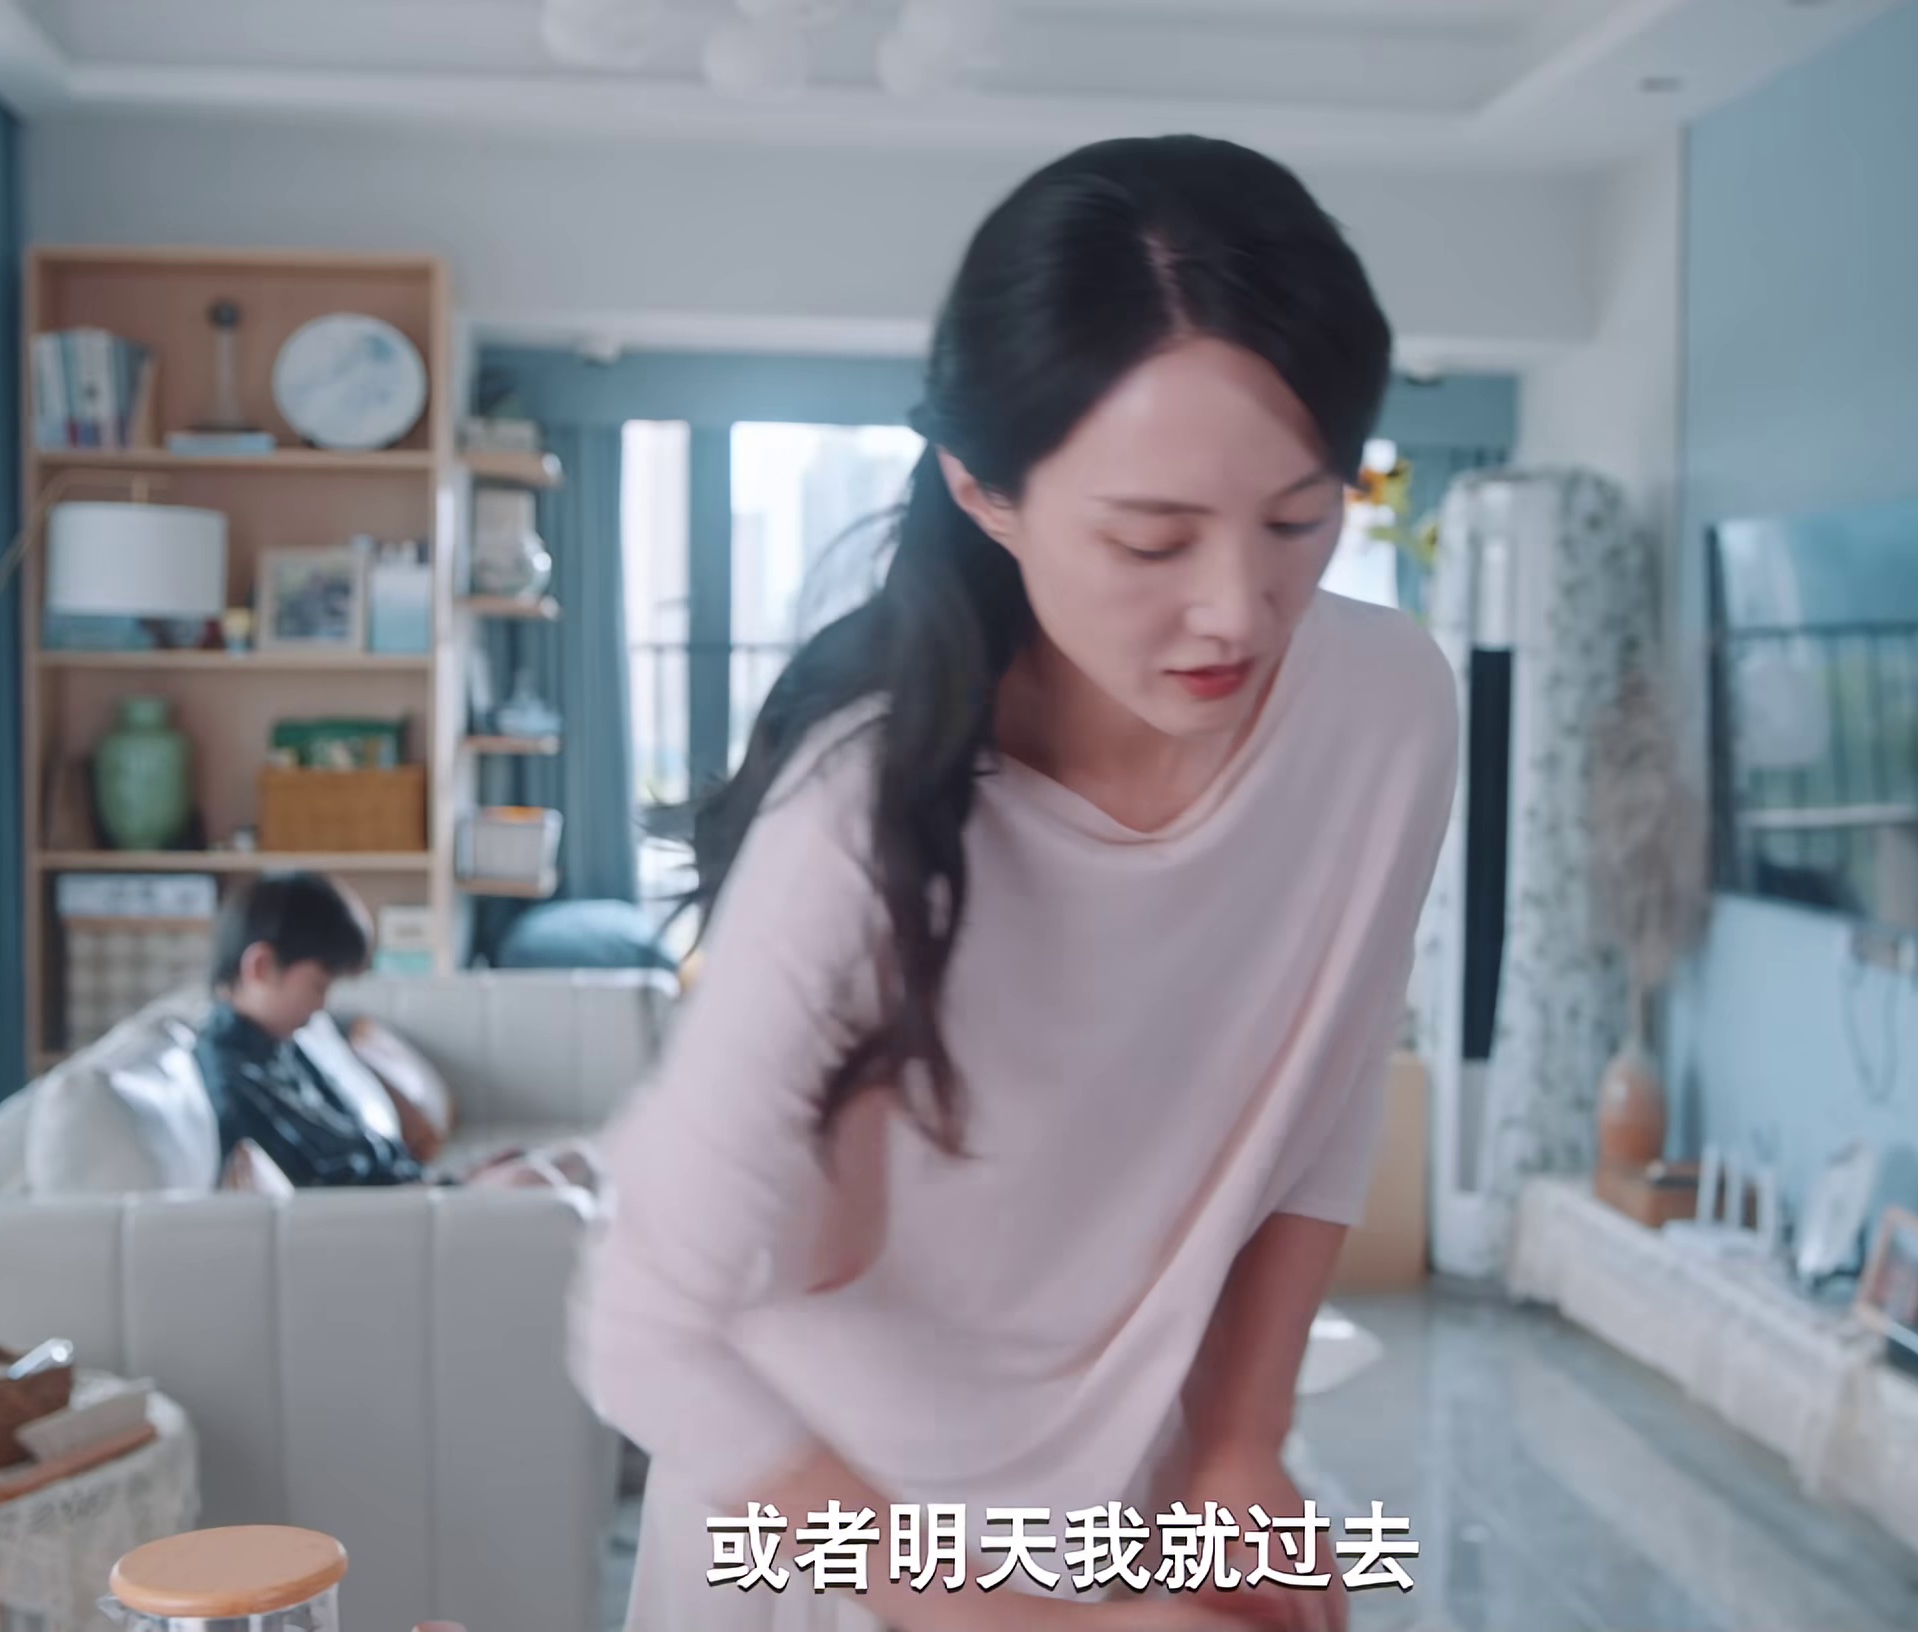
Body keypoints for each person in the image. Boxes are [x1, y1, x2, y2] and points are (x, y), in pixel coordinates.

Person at [578, 136, 1455, 1632]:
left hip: (1136, 1525)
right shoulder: (862, 810)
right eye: (1151, 539)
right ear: (985, 489)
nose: (1237, 612)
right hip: (833, 1546)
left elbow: (1321, 1099)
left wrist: (1240, 1446)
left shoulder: (1388, 711)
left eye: (1299, 520)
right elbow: (642, 1326)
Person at [191, 871, 430, 1189]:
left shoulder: (282, 1044)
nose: (321, 1005)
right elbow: (324, 1185)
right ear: (261, 966)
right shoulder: (232, 1083)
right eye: (318, 986)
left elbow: (352, 1136)